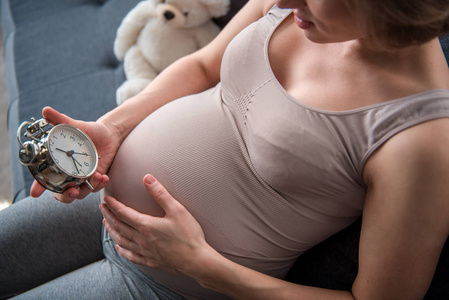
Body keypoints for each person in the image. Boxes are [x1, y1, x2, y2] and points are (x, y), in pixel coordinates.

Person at [1, 0, 449, 299]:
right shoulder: (300, 8)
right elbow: (202, 66)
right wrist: (112, 130)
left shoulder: (422, 140)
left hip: (163, 283)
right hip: (100, 195)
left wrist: (201, 265)